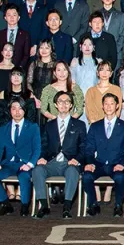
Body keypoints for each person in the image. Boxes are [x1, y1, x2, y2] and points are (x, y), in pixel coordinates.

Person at [32, 91, 87, 219]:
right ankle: (44, 206)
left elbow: (83, 147)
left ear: (71, 105)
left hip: (70, 162)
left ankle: (67, 207)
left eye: (67, 102)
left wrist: (77, 159)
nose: (63, 104)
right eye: (60, 102)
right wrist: (42, 158)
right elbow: (43, 146)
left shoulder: (79, 125)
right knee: (37, 170)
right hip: (52, 162)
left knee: (72, 171)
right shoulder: (48, 125)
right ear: (56, 105)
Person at [0, 98, 42, 216]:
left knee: (24, 177)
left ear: (24, 111)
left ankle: (25, 205)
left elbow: (37, 149)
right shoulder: (4, 128)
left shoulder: (33, 127)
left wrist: (30, 164)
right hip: (9, 163)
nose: (17, 112)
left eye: (20, 108)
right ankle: (5, 204)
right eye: (14, 109)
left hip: (25, 163)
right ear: (10, 111)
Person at [81, 93, 124, 216]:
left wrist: (122, 164)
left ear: (117, 106)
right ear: (102, 106)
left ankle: (118, 205)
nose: (109, 107)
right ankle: (93, 204)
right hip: (99, 163)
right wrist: (90, 163)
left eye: (112, 104)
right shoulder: (95, 126)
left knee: (120, 177)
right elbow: (88, 148)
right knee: (86, 176)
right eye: (106, 104)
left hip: (116, 164)